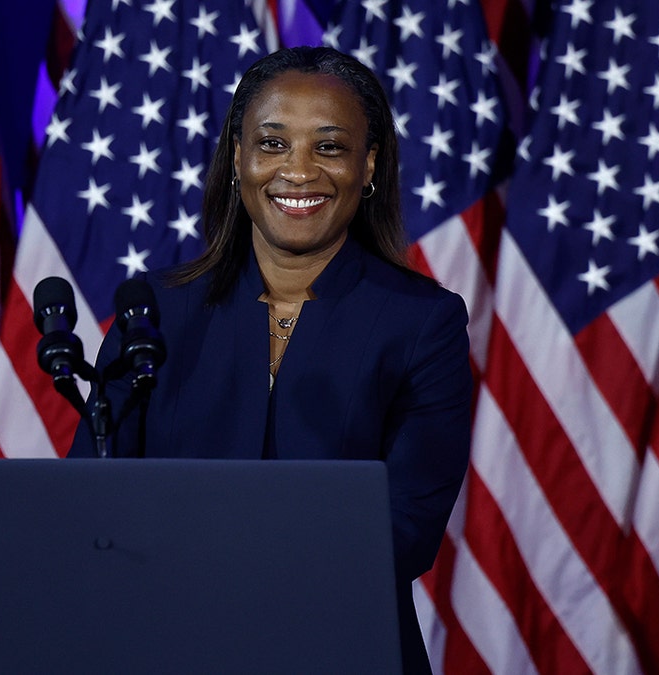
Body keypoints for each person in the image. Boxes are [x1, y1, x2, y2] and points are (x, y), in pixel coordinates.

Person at [69, 45, 472, 674]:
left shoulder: (423, 324)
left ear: (368, 167)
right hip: (170, 649)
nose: (299, 171)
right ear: (238, 159)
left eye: (330, 147)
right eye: (273, 144)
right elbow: (93, 509)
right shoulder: (152, 314)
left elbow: (407, 529)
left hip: (343, 652)